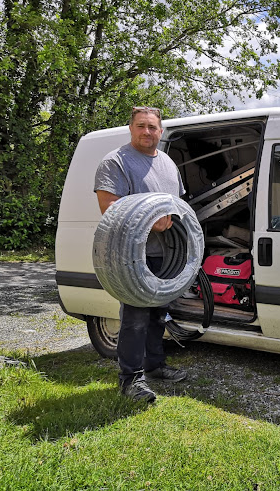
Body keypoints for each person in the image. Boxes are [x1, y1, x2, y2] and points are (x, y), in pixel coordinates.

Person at [94, 106, 188, 402]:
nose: (147, 131)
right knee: (135, 318)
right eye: (141, 126)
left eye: (152, 127)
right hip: (131, 257)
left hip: (165, 254)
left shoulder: (168, 163)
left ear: (161, 131)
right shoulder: (116, 161)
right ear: (131, 128)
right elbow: (108, 208)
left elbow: (179, 206)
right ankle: (130, 379)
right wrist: (150, 220)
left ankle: (155, 365)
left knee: (159, 314)